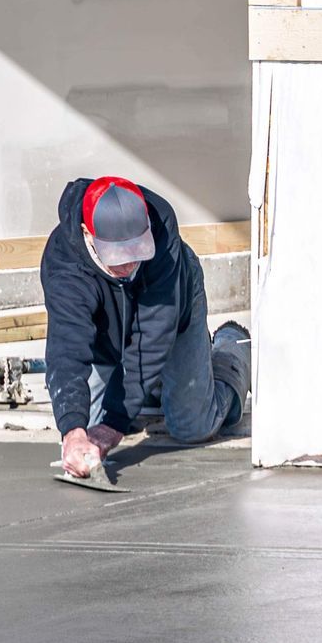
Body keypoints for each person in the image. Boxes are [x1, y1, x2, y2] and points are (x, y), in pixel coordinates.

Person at [40, 175, 250, 479]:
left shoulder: (164, 236)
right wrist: (72, 432)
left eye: (137, 251)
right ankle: (159, 385)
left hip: (172, 310)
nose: (129, 265)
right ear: (89, 235)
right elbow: (67, 352)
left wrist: (113, 426)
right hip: (107, 329)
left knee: (192, 425)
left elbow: (152, 338)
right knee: (87, 431)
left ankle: (232, 347)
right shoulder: (65, 268)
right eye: (118, 256)